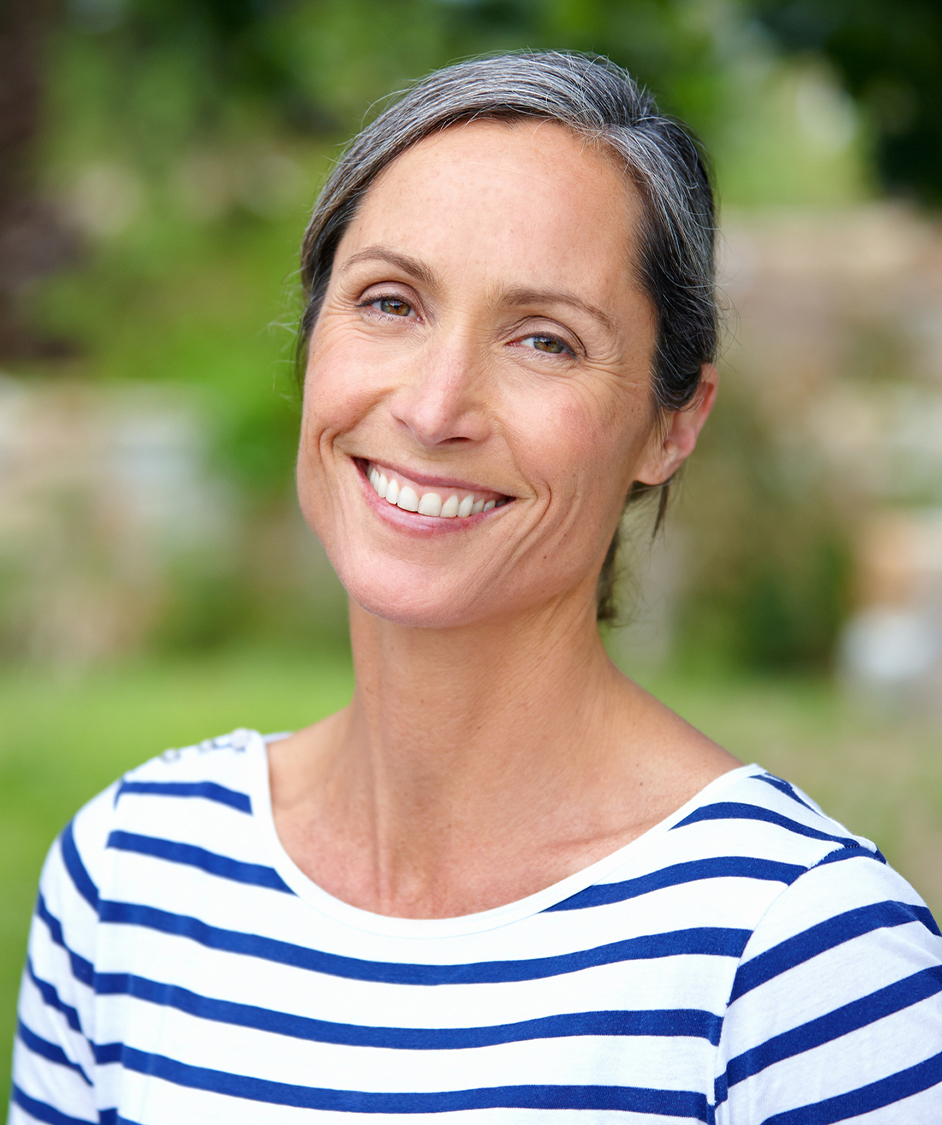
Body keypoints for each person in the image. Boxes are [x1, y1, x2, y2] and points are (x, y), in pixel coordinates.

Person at [9, 51, 942, 1125]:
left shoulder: (799, 961)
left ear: (673, 423)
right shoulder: (131, 874)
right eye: (391, 303)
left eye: (544, 340)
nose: (435, 406)